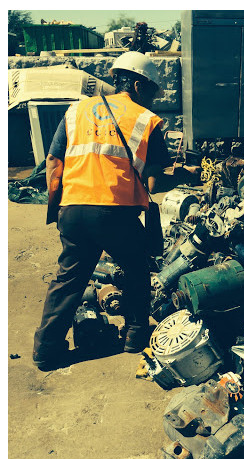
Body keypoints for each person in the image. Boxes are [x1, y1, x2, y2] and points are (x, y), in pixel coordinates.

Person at [33, 51, 191, 371]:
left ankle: (46, 350)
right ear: (135, 84)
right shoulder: (146, 120)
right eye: (150, 91)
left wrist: (57, 209)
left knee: (69, 280)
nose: (152, 100)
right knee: (135, 268)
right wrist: (183, 177)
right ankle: (135, 336)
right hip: (115, 212)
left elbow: (53, 163)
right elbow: (155, 180)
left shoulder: (76, 111)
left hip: (73, 210)